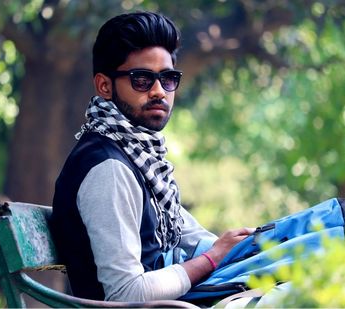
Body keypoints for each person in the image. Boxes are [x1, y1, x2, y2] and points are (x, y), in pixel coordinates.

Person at [50, 11, 254, 302]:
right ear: (105, 86)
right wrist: (211, 259)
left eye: (168, 79)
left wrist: (251, 247)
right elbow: (127, 294)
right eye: (142, 79)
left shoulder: (140, 159)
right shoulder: (108, 168)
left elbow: (198, 240)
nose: (159, 91)